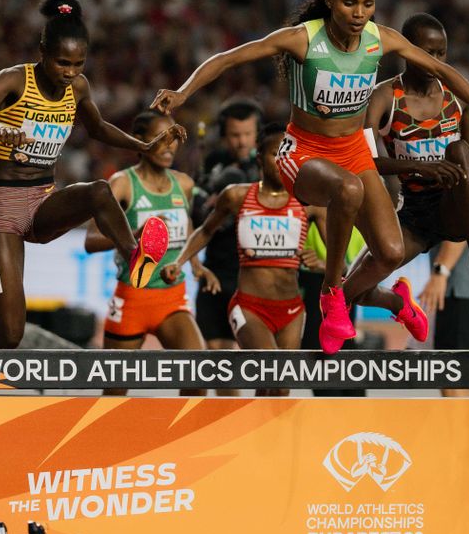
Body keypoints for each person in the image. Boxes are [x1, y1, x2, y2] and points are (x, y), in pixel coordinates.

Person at [152, 0, 469, 353]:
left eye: (368, 4)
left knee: (391, 252)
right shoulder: (303, 39)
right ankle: (332, 297)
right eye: (350, 3)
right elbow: (229, 58)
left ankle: (394, 299)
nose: (359, 14)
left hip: (351, 153)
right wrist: (183, 92)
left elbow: (442, 70)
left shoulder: (381, 39)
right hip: (304, 152)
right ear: (329, 0)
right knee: (346, 190)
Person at [0, 0, 182, 349]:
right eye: (62, 63)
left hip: (42, 201)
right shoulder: (14, 80)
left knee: (98, 190)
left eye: (78, 64)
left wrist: (140, 146)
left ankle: (135, 255)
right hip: (1, 210)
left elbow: (98, 128)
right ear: (42, 53)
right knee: (10, 335)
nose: (70, 72)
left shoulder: (78, 87)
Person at [354, 13, 469, 332]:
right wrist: (419, 167)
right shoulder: (384, 98)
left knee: (460, 150)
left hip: (455, 208)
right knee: (352, 288)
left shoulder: (457, 99)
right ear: (406, 51)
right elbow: (366, 161)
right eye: (428, 52)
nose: (436, 60)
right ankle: (399, 302)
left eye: (442, 53)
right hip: (414, 213)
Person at [169, 121, 322, 393]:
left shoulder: (308, 202)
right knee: (271, 369)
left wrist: (324, 264)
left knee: (279, 388)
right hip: (249, 306)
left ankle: (260, 435)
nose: (282, 160)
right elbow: (205, 231)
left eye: (289, 153)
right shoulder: (237, 196)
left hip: (292, 309)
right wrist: (179, 261)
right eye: (276, 153)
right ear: (260, 156)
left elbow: (340, 254)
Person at [84, 110, 211, 364]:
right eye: (159, 138)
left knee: (199, 373)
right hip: (132, 297)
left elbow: (185, 224)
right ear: (139, 140)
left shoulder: (183, 184)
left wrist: (196, 265)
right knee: (115, 386)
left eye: (173, 138)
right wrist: (135, 235)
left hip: (172, 297)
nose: (168, 147)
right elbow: (90, 241)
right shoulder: (122, 183)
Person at [190, 99, 263, 350]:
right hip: (215, 268)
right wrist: (207, 203)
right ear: (223, 135)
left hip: (251, 273)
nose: (241, 141)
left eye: (247, 134)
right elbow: (197, 215)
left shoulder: (267, 166)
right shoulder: (213, 161)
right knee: (212, 355)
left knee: (249, 357)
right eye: (234, 135)